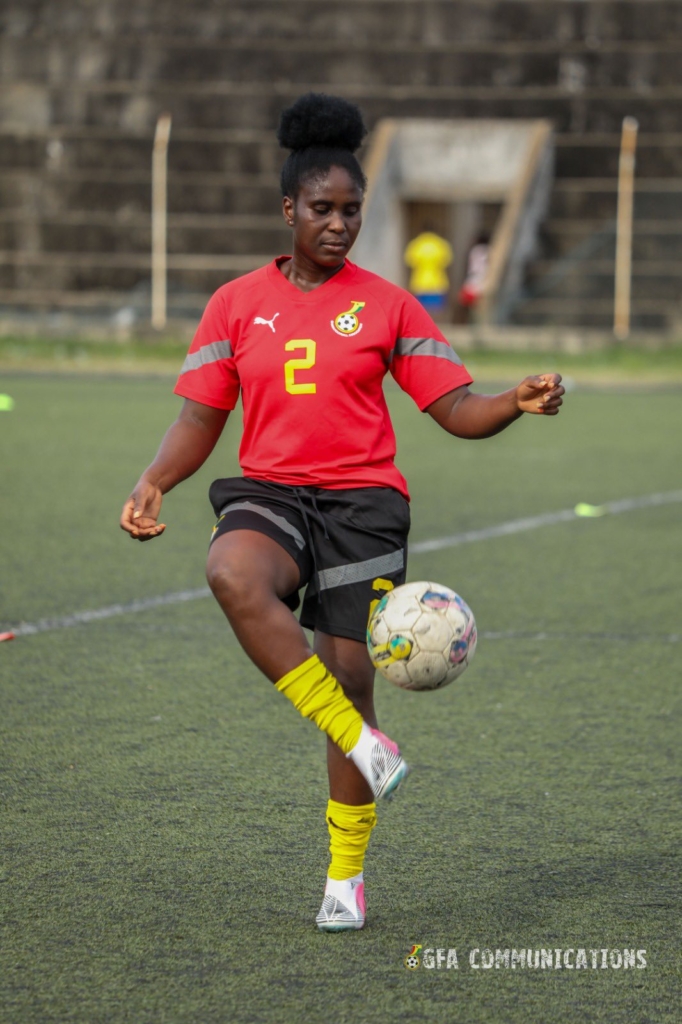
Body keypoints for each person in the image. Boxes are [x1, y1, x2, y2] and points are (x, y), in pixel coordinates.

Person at [120, 93, 564, 933]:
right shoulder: (233, 304)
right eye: (322, 209)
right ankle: (365, 745)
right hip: (270, 493)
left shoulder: (391, 306)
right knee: (230, 572)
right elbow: (199, 418)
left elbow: (456, 405)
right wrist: (154, 480)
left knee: (352, 675)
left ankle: (345, 878)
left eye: (352, 210)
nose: (338, 224)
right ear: (288, 208)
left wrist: (515, 400)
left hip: (363, 504)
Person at [404, 228, 453, 316]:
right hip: (438, 282)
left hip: (419, 282)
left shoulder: (416, 244)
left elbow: (410, 262)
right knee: (437, 313)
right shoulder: (441, 244)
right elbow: (447, 262)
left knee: (420, 312)